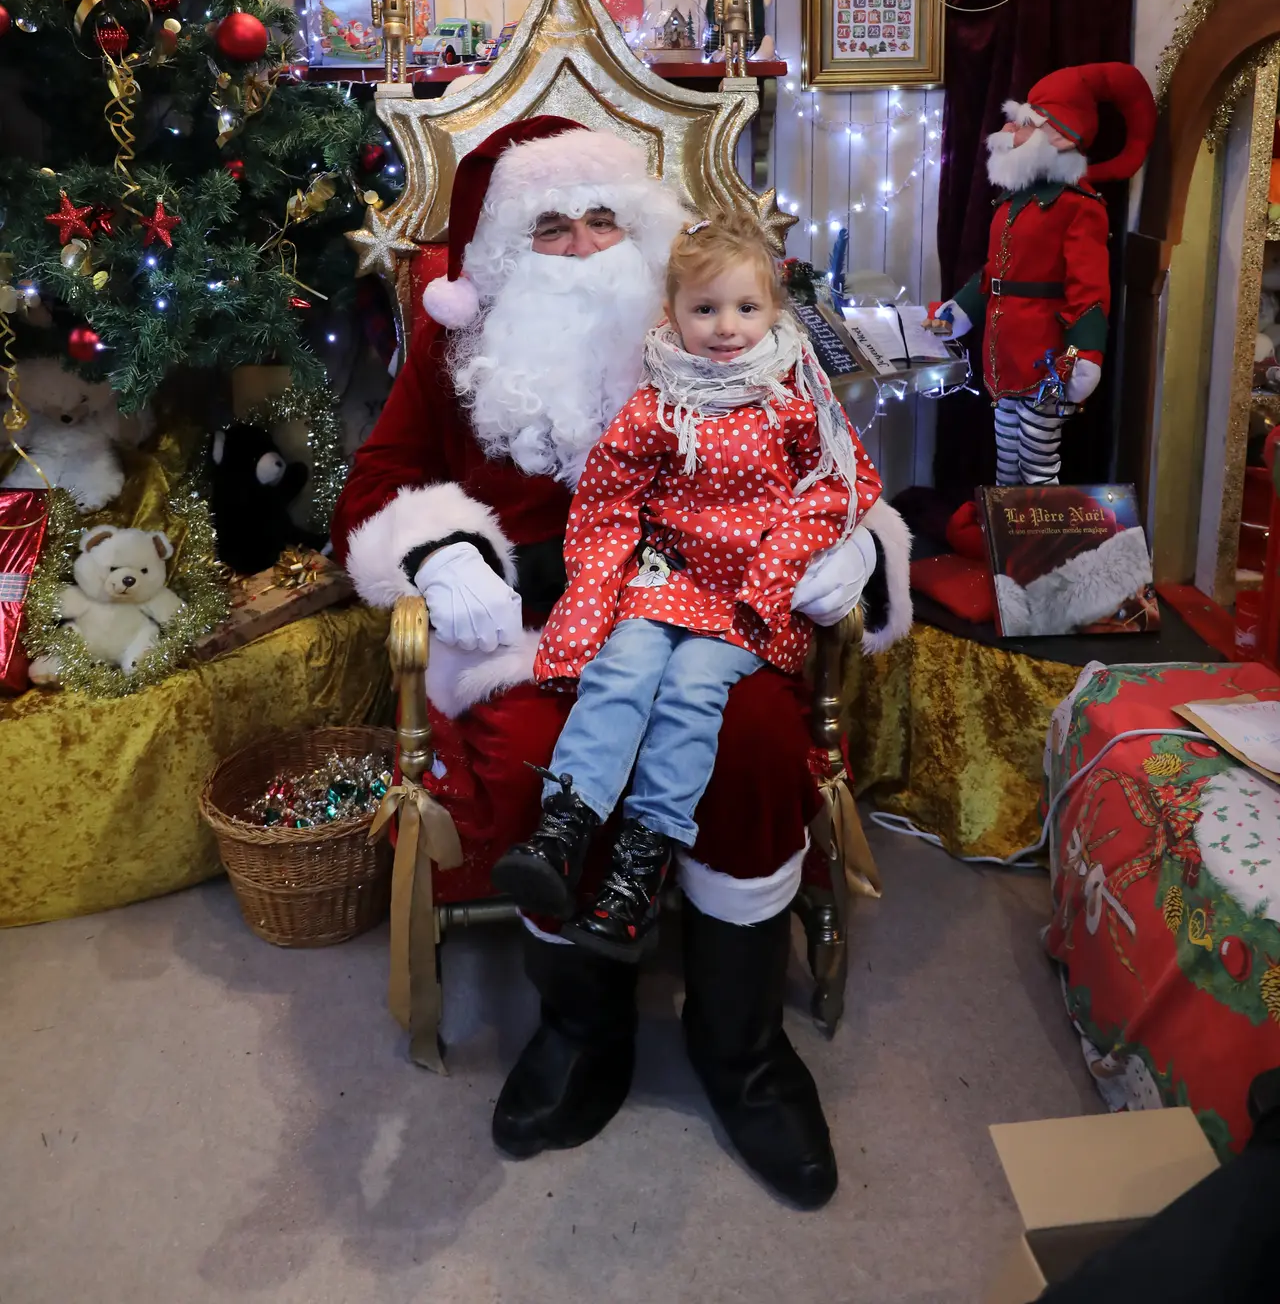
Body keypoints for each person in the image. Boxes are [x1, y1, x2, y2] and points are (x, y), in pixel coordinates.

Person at [331, 117, 911, 1207]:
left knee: (747, 745)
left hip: (725, 603)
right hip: (535, 627)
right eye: (552, 226)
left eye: (607, 216)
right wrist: (443, 546)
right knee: (536, 753)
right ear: (503, 251)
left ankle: (738, 1049)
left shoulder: (721, 335)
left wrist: (848, 549)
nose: (588, 244)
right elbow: (372, 487)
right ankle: (580, 1033)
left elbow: (830, 461)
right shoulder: (456, 347)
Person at [494, 210, 883, 965]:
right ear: (671, 313)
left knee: (692, 695)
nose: (727, 328)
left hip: (746, 597)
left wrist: (783, 565)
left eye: (746, 308)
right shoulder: (658, 400)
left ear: (774, 310)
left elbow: (840, 483)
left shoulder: (793, 396)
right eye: (704, 309)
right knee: (621, 673)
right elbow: (608, 499)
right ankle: (563, 829)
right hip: (666, 582)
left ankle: (642, 861)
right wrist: (591, 602)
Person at [929, 62, 1156, 485]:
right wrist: (957, 311)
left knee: (1038, 465)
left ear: (1059, 135)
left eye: (1022, 124)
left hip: (1046, 360)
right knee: (1006, 462)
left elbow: (1088, 290)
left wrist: (1086, 355)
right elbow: (993, 275)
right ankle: (1008, 540)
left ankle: (1038, 546)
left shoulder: (1078, 206)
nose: (1007, 133)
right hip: (1003, 356)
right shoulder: (1012, 203)